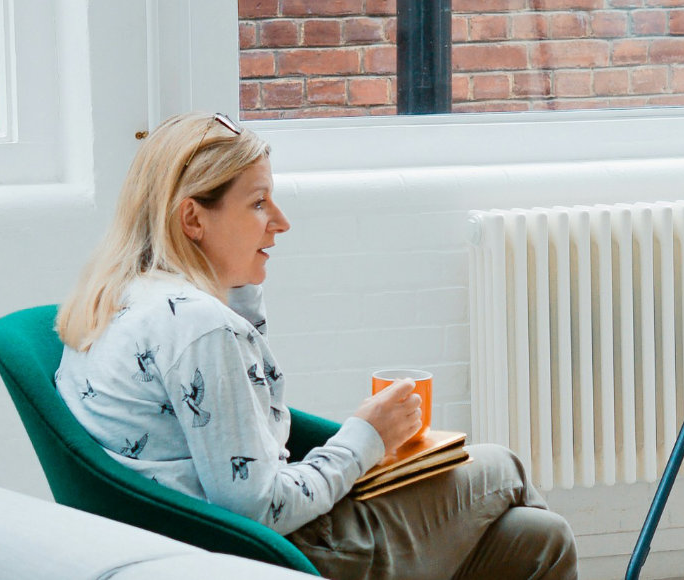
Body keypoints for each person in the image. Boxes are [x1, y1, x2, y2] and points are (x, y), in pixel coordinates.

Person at [53, 112, 576, 580]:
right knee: (501, 466)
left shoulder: (123, 297)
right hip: (289, 554)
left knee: (538, 539)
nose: (281, 222)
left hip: (197, 548)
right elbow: (258, 509)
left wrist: (235, 276)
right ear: (193, 218)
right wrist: (365, 437)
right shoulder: (202, 329)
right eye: (258, 204)